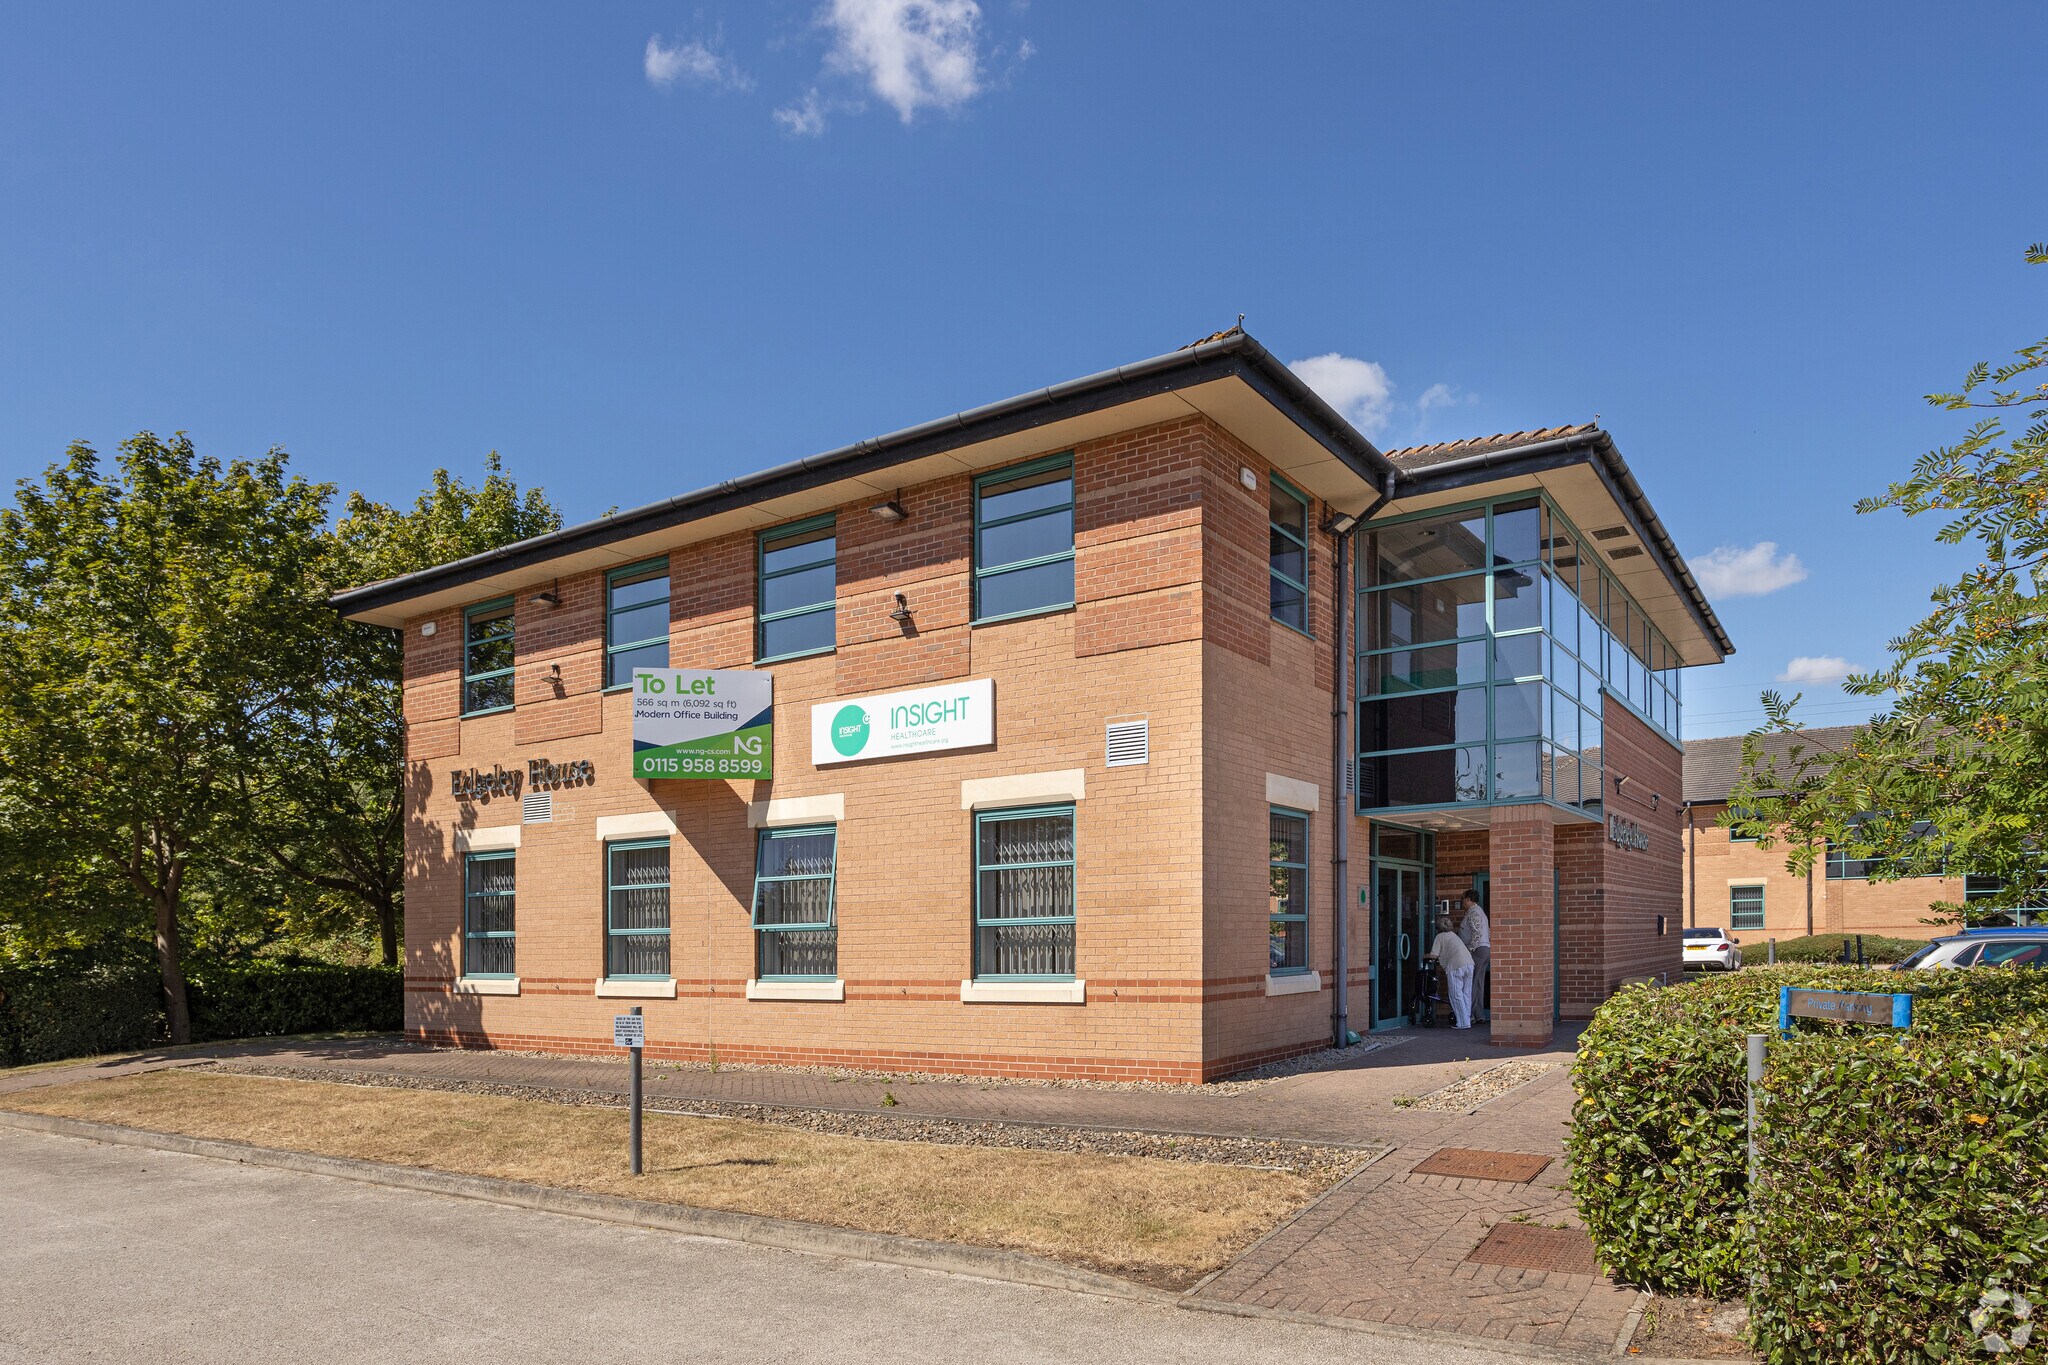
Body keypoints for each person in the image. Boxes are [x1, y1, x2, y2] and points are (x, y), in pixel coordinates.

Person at [1428, 913, 1475, 1029]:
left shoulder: (1440, 937)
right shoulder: (1453, 935)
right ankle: (1467, 1020)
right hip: (1469, 963)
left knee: (1455, 995)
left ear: (1438, 928)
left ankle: (1463, 1023)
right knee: (1466, 994)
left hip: (1456, 966)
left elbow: (1433, 955)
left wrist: (1423, 956)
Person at [1459, 889, 1491, 1023]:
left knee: (1470, 982)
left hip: (1477, 950)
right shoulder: (1480, 912)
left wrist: (1469, 950)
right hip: (1484, 949)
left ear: (1468, 899)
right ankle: (1479, 1014)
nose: (1462, 902)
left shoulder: (1473, 913)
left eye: (1463, 899)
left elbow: (1476, 934)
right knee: (1478, 982)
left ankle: (1469, 1014)